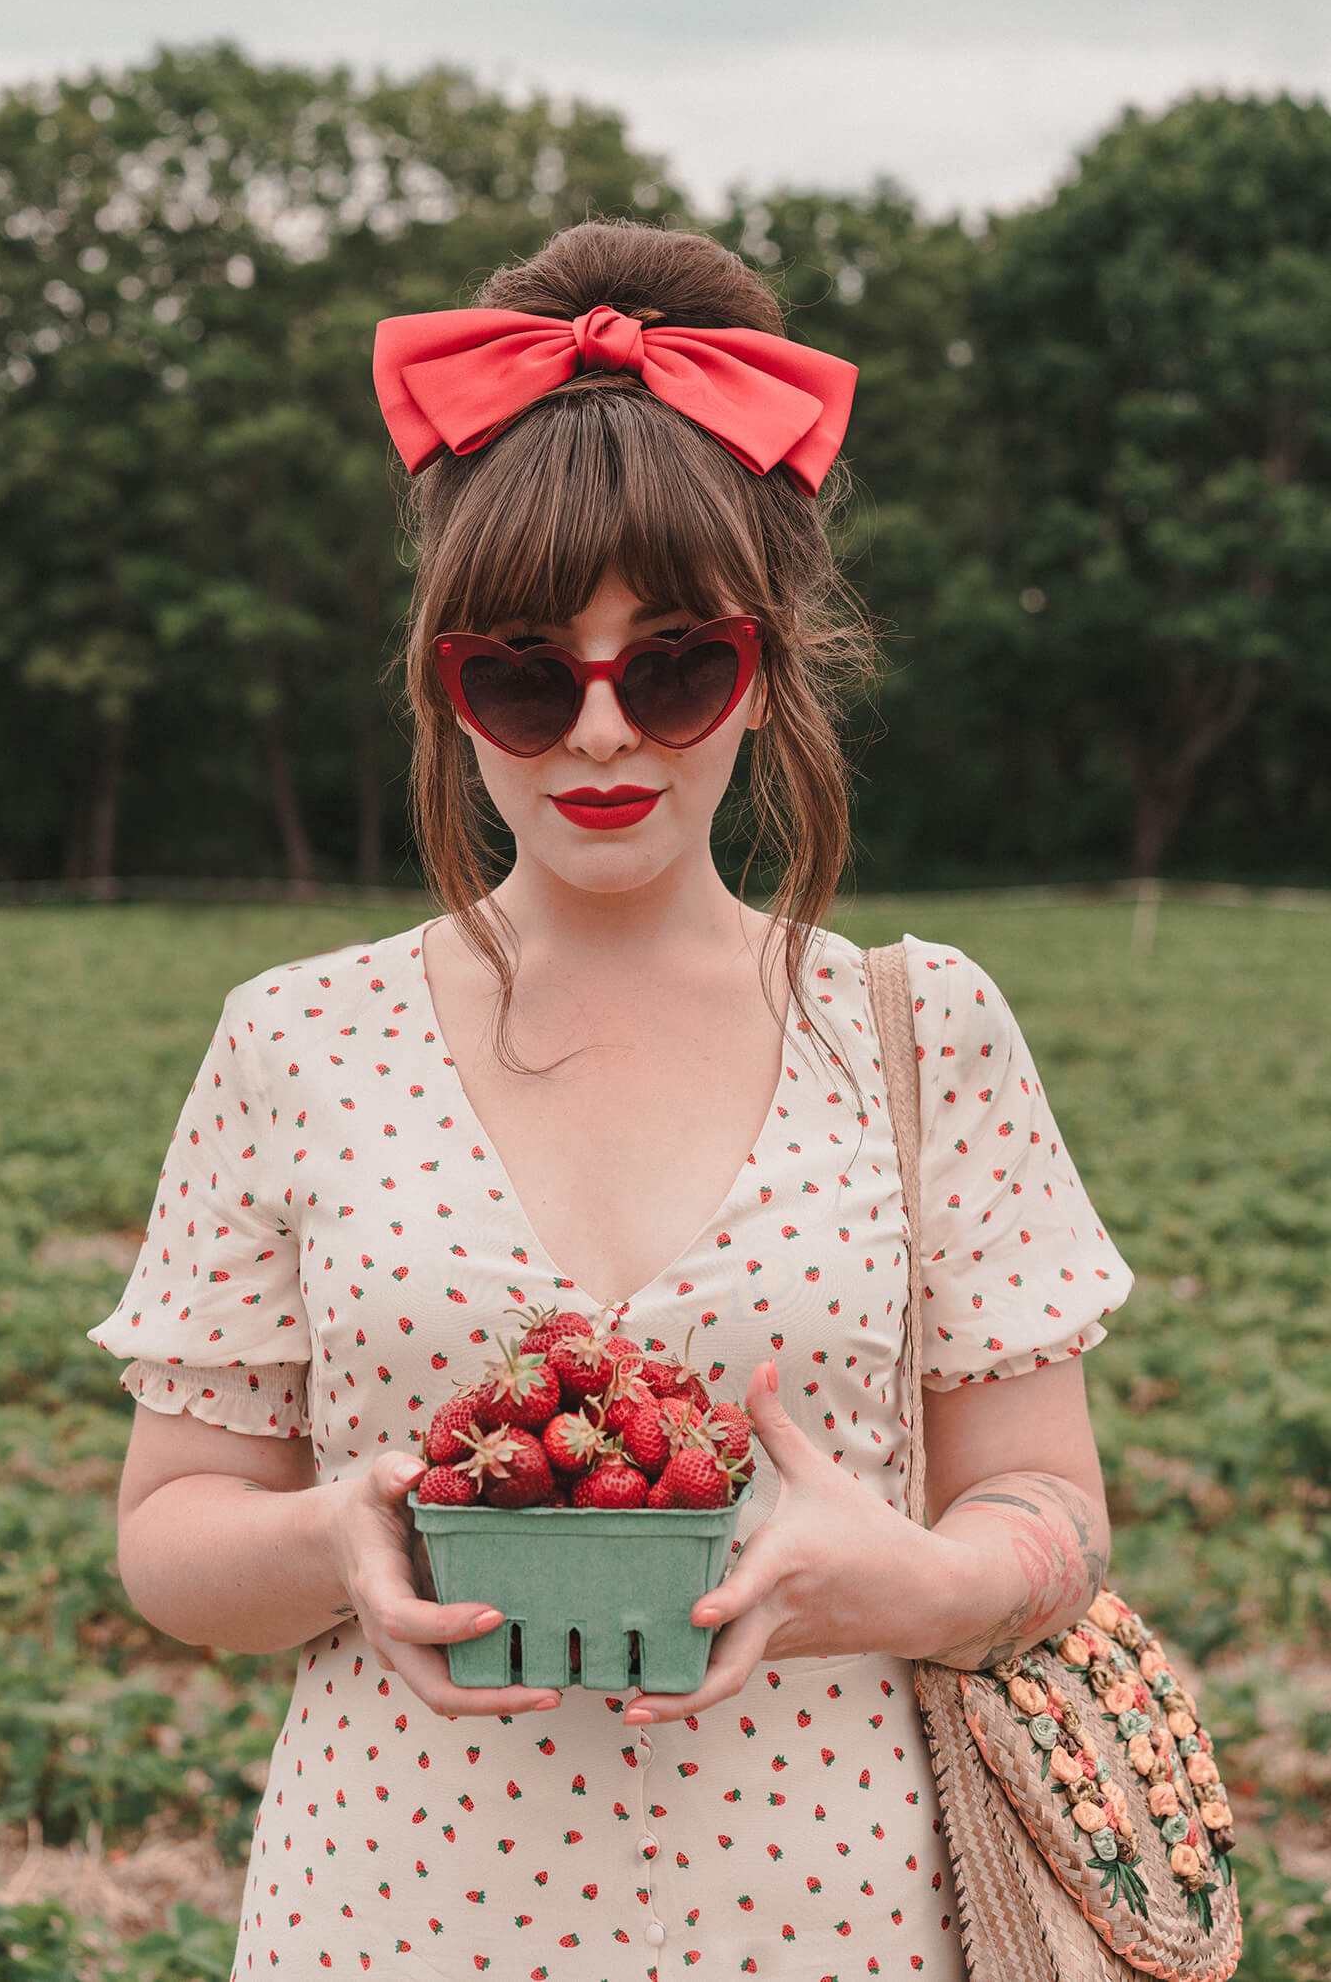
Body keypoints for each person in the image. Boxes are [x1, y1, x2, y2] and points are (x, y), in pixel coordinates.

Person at [88, 219, 1133, 1981]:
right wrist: (333, 1539)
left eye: (670, 665)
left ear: (767, 662)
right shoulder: (297, 1038)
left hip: (838, 1914)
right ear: (445, 683)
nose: (595, 737)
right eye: (518, 670)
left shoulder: (916, 1024)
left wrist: (923, 1582)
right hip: (393, 1914)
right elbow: (170, 1536)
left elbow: (1053, 1506)